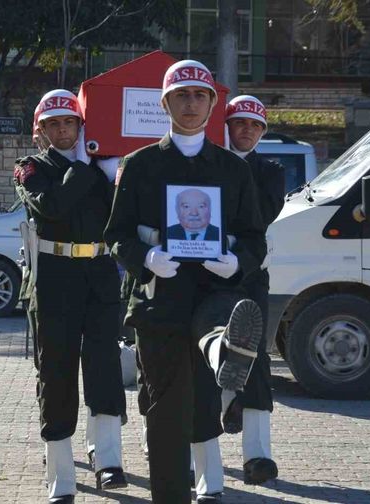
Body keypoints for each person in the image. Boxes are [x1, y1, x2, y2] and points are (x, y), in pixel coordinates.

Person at [105, 60, 266, 504]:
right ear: (165, 103)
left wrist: (236, 264)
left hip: (217, 294)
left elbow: (255, 237)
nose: (191, 103)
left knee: (202, 407)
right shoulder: (139, 165)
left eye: (199, 95)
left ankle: (223, 350)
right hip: (161, 304)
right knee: (165, 416)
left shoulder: (234, 170)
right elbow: (115, 234)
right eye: (181, 95)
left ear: (213, 104)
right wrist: (147, 258)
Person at [14, 89, 127, 504]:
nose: (62, 131)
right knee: (57, 372)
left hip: (99, 274)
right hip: (55, 278)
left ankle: (109, 460)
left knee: (104, 367)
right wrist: (84, 168)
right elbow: (52, 207)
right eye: (53, 125)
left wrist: (108, 170)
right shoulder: (30, 168)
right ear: (40, 131)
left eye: (70, 123)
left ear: (81, 126)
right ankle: (60, 472)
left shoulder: (101, 167)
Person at [218, 94, 285, 484]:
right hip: (205, 274)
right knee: (209, 354)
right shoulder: (206, 164)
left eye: (255, 125)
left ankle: (258, 456)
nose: (247, 131)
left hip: (250, 275)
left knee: (256, 358)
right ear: (225, 126)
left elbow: (259, 216)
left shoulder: (270, 170)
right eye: (240, 123)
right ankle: (218, 417)